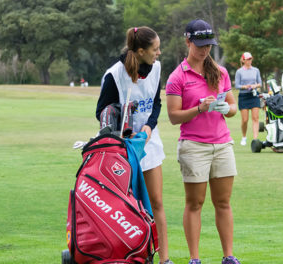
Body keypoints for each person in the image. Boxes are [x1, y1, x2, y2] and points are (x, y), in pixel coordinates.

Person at [166, 19, 241, 264]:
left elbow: (233, 108)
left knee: (223, 202)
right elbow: (173, 117)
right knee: (195, 203)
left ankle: (228, 256)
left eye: (208, 44)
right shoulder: (177, 77)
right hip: (194, 146)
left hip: (222, 144)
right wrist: (199, 108)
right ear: (187, 41)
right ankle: (194, 258)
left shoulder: (220, 72)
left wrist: (224, 108)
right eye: (199, 44)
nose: (204, 49)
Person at [95, 26, 173, 264]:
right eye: (155, 49)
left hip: (149, 144)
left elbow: (157, 103)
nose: (159, 53)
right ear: (140, 51)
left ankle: (164, 259)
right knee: (127, 205)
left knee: (156, 202)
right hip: (122, 150)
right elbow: (101, 111)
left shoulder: (156, 68)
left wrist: (149, 126)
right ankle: (132, 256)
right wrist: (122, 118)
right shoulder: (115, 74)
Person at [235, 52, 262, 145]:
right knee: (245, 119)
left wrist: (254, 85)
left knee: (255, 118)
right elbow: (237, 85)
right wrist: (245, 87)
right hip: (244, 96)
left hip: (254, 95)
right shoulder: (239, 71)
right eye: (247, 59)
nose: (249, 60)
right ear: (243, 60)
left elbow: (260, 83)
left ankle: (255, 139)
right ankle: (244, 136)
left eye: (250, 59)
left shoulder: (256, 70)